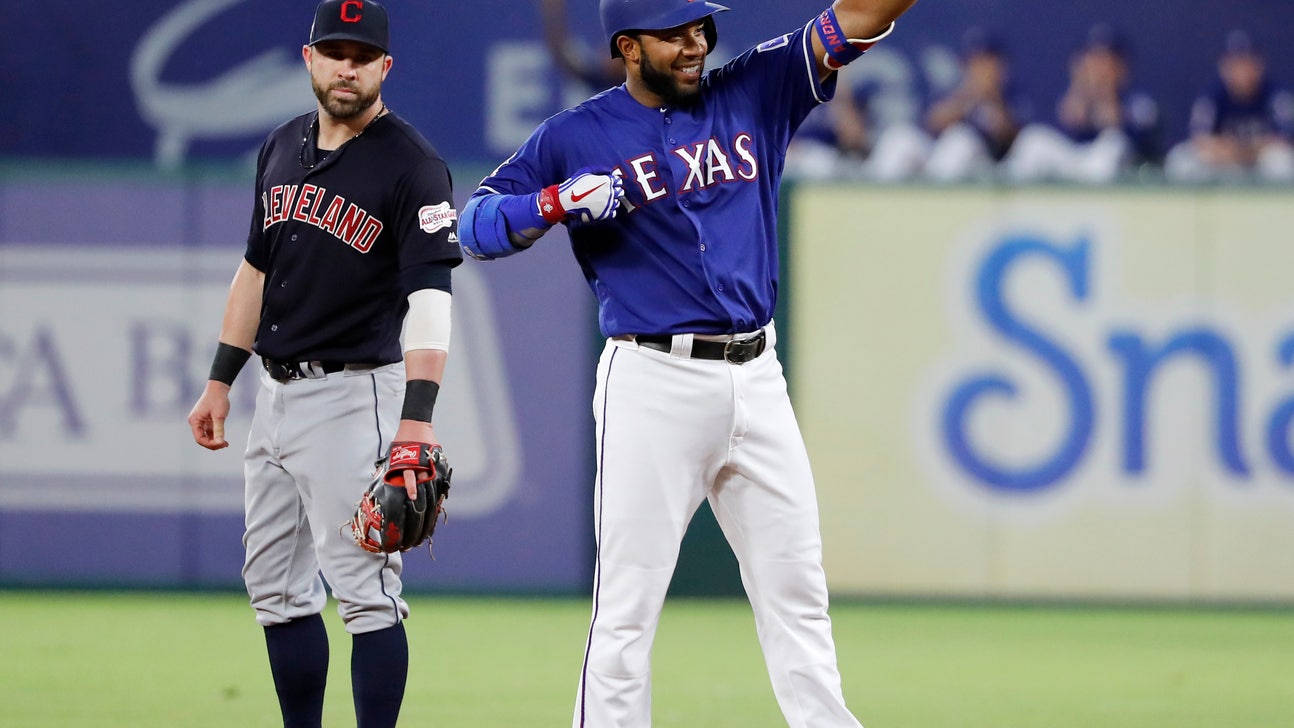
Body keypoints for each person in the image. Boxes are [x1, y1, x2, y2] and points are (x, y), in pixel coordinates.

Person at [457, 0, 919, 725]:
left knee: (797, 591)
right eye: (674, 33)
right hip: (652, 381)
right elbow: (472, 227)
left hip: (758, 375)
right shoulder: (576, 136)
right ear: (628, 47)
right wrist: (549, 202)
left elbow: (858, 16)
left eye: (699, 28)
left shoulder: (757, 88)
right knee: (627, 608)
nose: (695, 43)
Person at [185, 2, 462, 726]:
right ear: (308, 60)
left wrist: (417, 422)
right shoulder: (280, 146)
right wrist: (220, 380)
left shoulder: (413, 165)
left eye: (362, 55)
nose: (348, 66)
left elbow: (432, 299)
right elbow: (255, 271)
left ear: (384, 68)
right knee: (275, 591)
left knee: (366, 592)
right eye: (334, 52)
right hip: (272, 395)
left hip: (354, 394)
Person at [866, 27, 1030, 182]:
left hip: (997, 169)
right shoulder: (957, 89)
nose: (980, 68)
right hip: (943, 164)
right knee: (900, 136)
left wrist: (991, 97)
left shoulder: (1011, 93)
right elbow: (933, 122)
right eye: (975, 62)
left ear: (1000, 65)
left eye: (986, 62)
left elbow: (1009, 136)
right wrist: (971, 95)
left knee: (961, 141)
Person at [1002, 24, 1159, 184]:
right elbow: (1062, 138)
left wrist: (1114, 114)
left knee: (1113, 143)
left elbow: (1145, 146)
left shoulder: (1137, 103)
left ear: (1121, 68)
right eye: (1094, 60)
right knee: (1032, 140)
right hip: (1076, 165)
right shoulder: (1074, 98)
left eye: (1107, 61)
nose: (1099, 69)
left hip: (1117, 176)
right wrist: (1078, 102)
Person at [1164, 30, 1294, 184]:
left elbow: (1284, 139)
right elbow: (1200, 139)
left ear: (1259, 65)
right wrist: (1229, 151)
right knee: (1179, 160)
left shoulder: (1277, 96)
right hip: (1226, 162)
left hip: (1260, 161)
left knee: (1281, 160)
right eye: (1235, 64)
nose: (1242, 71)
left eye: (1247, 63)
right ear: (1224, 67)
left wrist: (1243, 150)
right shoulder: (1212, 96)